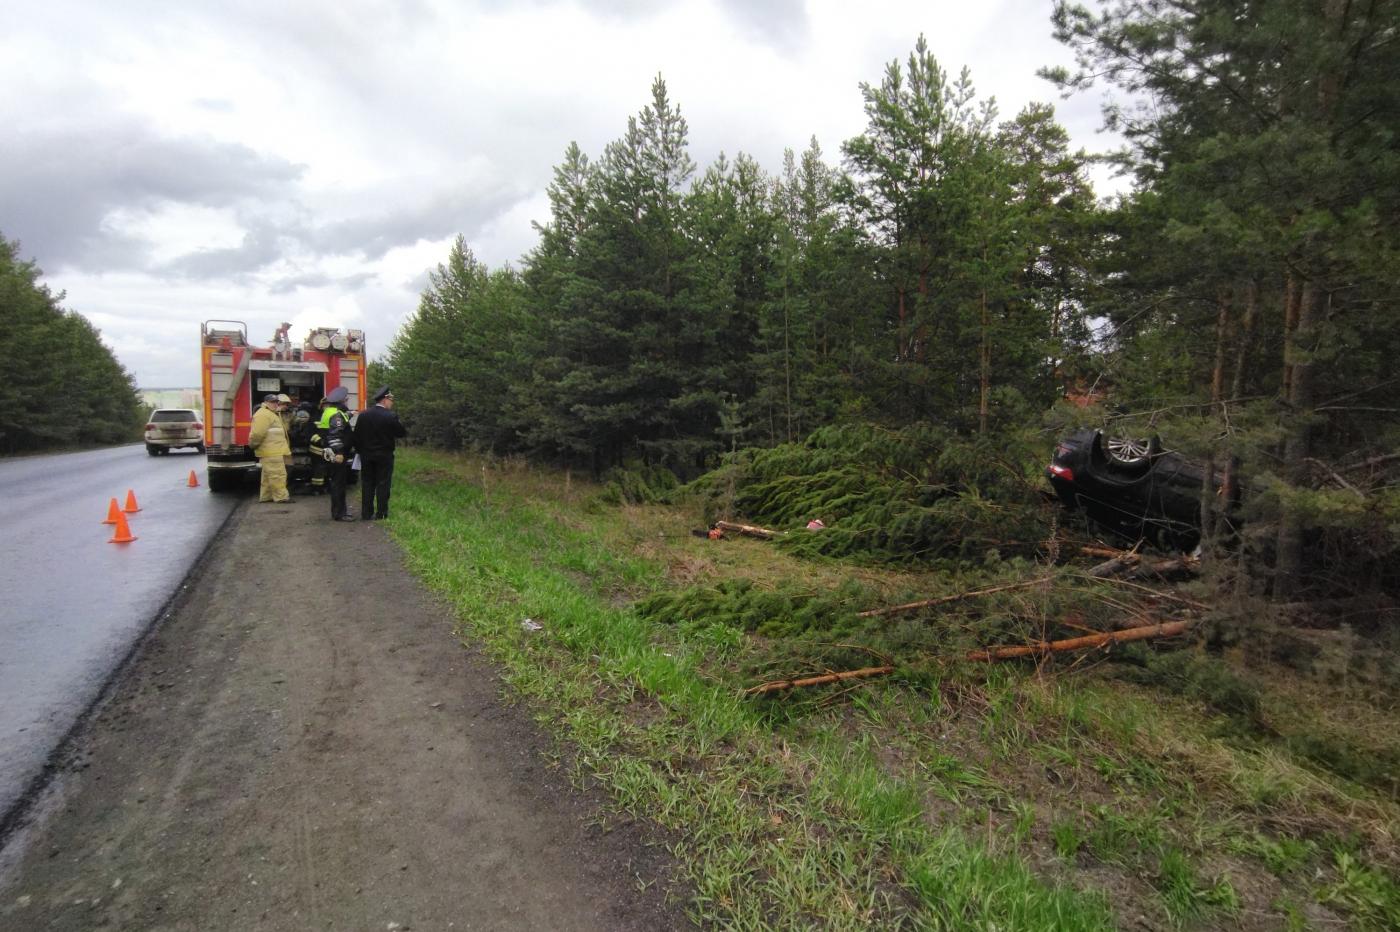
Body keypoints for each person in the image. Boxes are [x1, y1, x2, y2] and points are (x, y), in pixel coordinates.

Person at [353, 386, 406, 520]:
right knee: (383, 484)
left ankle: (366, 513)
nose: (392, 403)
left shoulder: (363, 415)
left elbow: (356, 436)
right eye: (391, 400)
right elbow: (401, 433)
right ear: (384, 400)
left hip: (366, 456)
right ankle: (381, 513)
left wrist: (360, 451)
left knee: (367, 483)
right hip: (384, 456)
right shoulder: (390, 416)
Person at [249, 393, 293, 504]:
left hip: (272, 450)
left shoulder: (270, 413)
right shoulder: (264, 414)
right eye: (272, 402)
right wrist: (253, 444)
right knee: (278, 475)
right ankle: (281, 497)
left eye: (276, 402)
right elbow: (257, 434)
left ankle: (266, 496)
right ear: (266, 402)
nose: (275, 404)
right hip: (272, 451)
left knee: (268, 476)